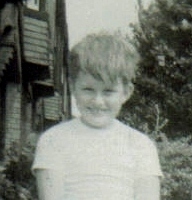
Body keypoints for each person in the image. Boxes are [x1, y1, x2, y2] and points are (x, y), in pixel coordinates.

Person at [32, 32, 163, 200]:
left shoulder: (141, 146)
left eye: (108, 92)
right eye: (88, 89)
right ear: (73, 87)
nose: (98, 101)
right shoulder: (54, 140)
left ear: (126, 92)